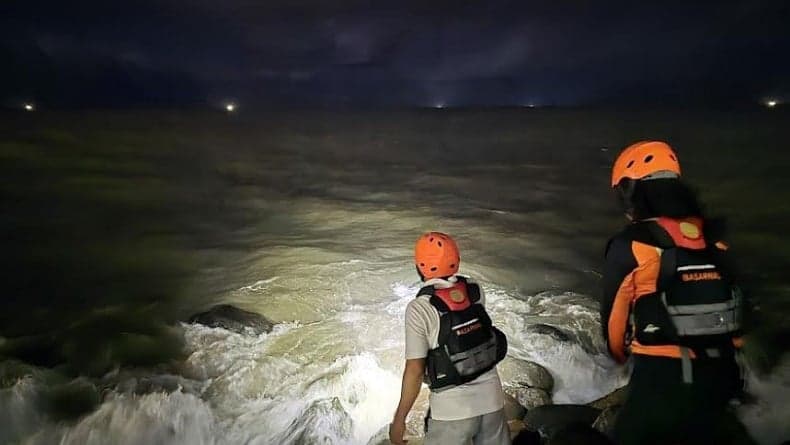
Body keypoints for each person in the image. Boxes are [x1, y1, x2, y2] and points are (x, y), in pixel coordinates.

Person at [601, 141, 756, 444]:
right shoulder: (713, 238)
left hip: (663, 378)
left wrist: (621, 355)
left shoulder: (632, 244)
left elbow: (613, 332)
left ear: (632, 191)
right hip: (723, 375)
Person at [390, 231, 510, 445]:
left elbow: (415, 370)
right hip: (493, 402)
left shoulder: (420, 308)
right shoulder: (474, 290)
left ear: (420, 266)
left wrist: (399, 419)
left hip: (452, 412)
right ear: (456, 260)